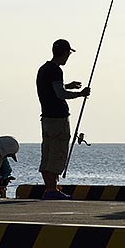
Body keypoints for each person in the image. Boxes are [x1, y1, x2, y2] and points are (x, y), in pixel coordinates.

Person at [36, 39, 90, 200]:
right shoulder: (56, 70)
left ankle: (50, 188)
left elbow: (53, 90)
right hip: (58, 119)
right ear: (66, 53)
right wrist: (80, 94)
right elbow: (60, 94)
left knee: (47, 154)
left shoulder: (44, 69)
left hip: (46, 118)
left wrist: (68, 86)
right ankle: (52, 190)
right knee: (57, 154)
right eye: (69, 54)